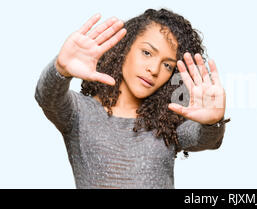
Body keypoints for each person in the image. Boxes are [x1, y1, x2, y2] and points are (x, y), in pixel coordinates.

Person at [34, 8, 229, 189]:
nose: (153, 69)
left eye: (167, 66)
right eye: (147, 53)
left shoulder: (167, 121)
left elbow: (207, 140)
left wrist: (213, 122)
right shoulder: (79, 113)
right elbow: (46, 96)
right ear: (125, 48)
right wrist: (60, 70)